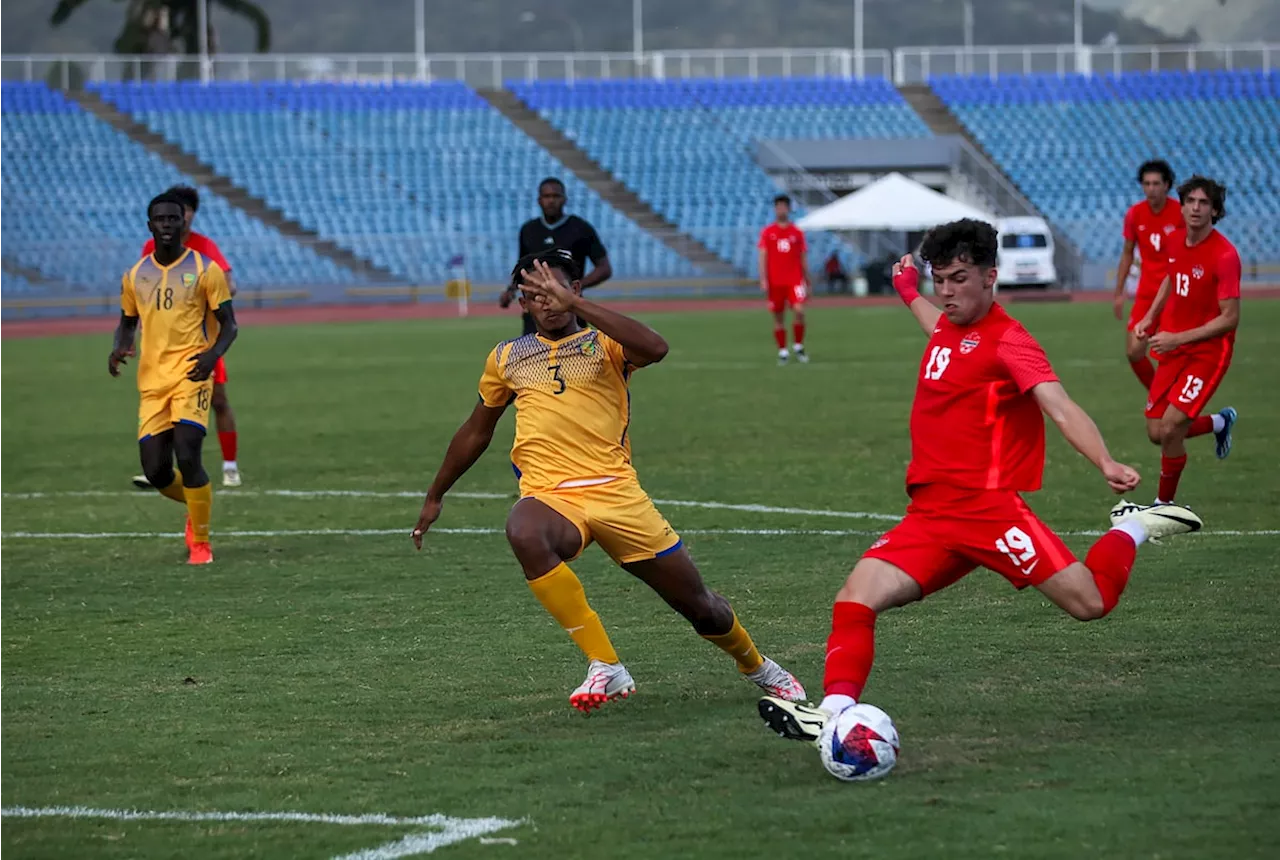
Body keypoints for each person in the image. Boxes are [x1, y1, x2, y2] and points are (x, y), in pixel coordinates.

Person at [756, 219, 1201, 744]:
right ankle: (831, 713)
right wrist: (906, 292)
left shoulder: (1010, 341)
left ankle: (1135, 526)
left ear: (990, 276)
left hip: (990, 512)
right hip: (931, 515)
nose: (946, 292)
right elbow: (938, 327)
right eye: (939, 279)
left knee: (1092, 603)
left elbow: (1059, 407)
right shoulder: (947, 322)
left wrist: (1104, 461)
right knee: (855, 598)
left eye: (959, 279)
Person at [413, 249, 805, 713]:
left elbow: (656, 348)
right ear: (522, 302)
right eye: (535, 294)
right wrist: (436, 494)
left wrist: (575, 307)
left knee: (701, 607)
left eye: (556, 290)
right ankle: (606, 664)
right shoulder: (507, 358)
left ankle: (757, 665)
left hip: (617, 495)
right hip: (551, 495)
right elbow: (477, 430)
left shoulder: (606, 345)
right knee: (523, 528)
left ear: (576, 291)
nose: (547, 301)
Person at [109, 192, 238, 565]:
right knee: (156, 470)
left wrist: (212, 356)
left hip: (192, 374)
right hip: (152, 382)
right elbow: (126, 323)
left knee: (188, 454)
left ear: (184, 223)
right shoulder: (136, 275)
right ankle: (196, 503)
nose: (167, 224)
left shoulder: (205, 269)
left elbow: (230, 326)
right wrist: (118, 348)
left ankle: (201, 543)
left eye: (173, 219)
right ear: (150, 226)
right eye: (160, 220)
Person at [1125, 175, 1240, 509]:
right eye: (1190, 201)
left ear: (1215, 211)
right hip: (1174, 346)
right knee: (1156, 431)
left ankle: (1165, 506)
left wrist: (1178, 338)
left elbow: (1229, 318)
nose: (1196, 208)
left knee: (1172, 427)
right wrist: (1149, 317)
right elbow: (1170, 279)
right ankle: (1220, 422)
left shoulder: (1225, 255)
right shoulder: (1175, 242)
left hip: (1207, 353)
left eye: (1204, 203)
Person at [132, 185, 243, 489]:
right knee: (164, 406)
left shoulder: (204, 247)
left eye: (185, 210)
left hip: (199, 343)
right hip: (161, 346)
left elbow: (229, 285)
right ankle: (161, 468)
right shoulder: (149, 249)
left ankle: (230, 466)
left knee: (218, 401)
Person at [501, 178, 612, 336]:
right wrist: (510, 290)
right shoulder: (528, 230)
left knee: (577, 356)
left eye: (556, 196)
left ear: (564, 199)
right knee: (533, 357)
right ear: (539, 200)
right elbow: (522, 269)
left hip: (571, 306)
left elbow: (604, 268)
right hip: (537, 308)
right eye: (546, 196)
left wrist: (575, 287)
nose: (551, 201)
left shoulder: (580, 228)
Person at [1113, 160, 1183, 392]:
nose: (1151, 188)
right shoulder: (1135, 214)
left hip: (1174, 296)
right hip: (1146, 295)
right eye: (1146, 184)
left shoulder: (1180, 213)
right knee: (1133, 351)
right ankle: (1159, 393)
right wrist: (1119, 292)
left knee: (1168, 354)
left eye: (1156, 183)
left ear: (1167, 186)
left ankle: (1170, 399)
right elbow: (1127, 253)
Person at [758, 194, 810, 364]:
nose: (781, 210)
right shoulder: (768, 232)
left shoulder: (796, 232)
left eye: (784, 206)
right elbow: (763, 256)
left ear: (788, 209)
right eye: (778, 206)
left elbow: (802, 257)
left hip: (795, 279)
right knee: (778, 317)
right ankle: (782, 351)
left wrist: (807, 278)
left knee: (799, 310)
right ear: (775, 209)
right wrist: (763, 278)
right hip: (775, 281)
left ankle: (798, 345)